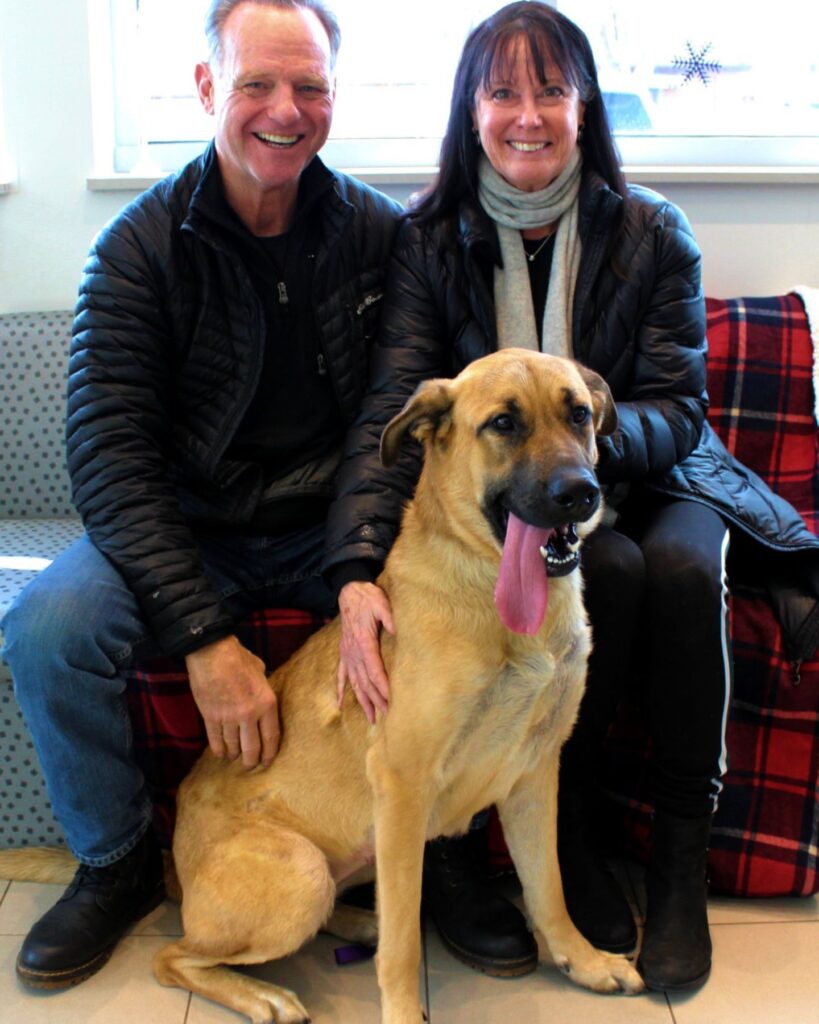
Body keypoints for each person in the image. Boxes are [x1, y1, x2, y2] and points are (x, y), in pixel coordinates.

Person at [323, 0, 819, 992]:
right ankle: (564, 844)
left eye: (551, 89)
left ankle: (676, 866)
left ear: (585, 107)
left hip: (648, 471)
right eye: (503, 91)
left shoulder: (652, 228)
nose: (528, 114)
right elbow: (400, 400)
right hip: (534, 493)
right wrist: (354, 565)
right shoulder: (429, 238)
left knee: (676, 568)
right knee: (608, 569)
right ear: (470, 112)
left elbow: (679, 407)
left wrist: (577, 443)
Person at [1, 0, 402, 990]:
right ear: (204, 87)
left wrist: (360, 560)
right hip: (186, 528)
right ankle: (117, 861)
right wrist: (204, 635)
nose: (285, 109)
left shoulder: (383, 235)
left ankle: (447, 855)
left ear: (334, 97)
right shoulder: (136, 249)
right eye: (256, 83)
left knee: (441, 613)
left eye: (309, 86)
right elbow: (108, 456)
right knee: (47, 629)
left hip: (325, 525)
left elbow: (390, 424)